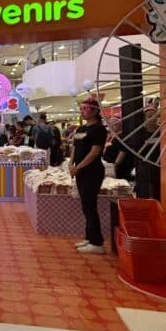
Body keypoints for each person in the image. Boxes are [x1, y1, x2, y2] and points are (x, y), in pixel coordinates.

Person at [70, 98, 108, 254]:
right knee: (85, 206)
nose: (82, 111)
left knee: (90, 206)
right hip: (79, 171)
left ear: (95, 111)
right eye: (82, 108)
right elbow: (74, 148)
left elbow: (95, 152)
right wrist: (71, 164)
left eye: (86, 108)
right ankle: (89, 237)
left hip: (92, 172)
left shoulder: (99, 130)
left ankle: (97, 243)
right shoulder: (80, 130)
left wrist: (78, 166)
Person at [131, 105, 161, 200]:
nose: (152, 118)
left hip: (160, 167)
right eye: (149, 116)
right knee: (144, 192)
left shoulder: (163, 132)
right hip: (144, 168)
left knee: (158, 191)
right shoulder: (139, 134)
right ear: (145, 118)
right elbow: (137, 151)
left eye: (154, 115)